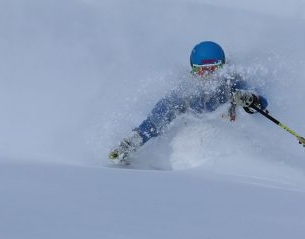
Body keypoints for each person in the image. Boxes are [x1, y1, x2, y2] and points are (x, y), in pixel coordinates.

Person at [109, 41, 268, 164]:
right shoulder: (186, 92)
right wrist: (135, 139)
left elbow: (261, 104)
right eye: (201, 70)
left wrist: (250, 99)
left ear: (223, 66)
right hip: (194, 150)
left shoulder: (232, 83)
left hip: (232, 151)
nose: (208, 76)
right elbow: (157, 118)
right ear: (193, 70)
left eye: (214, 69)